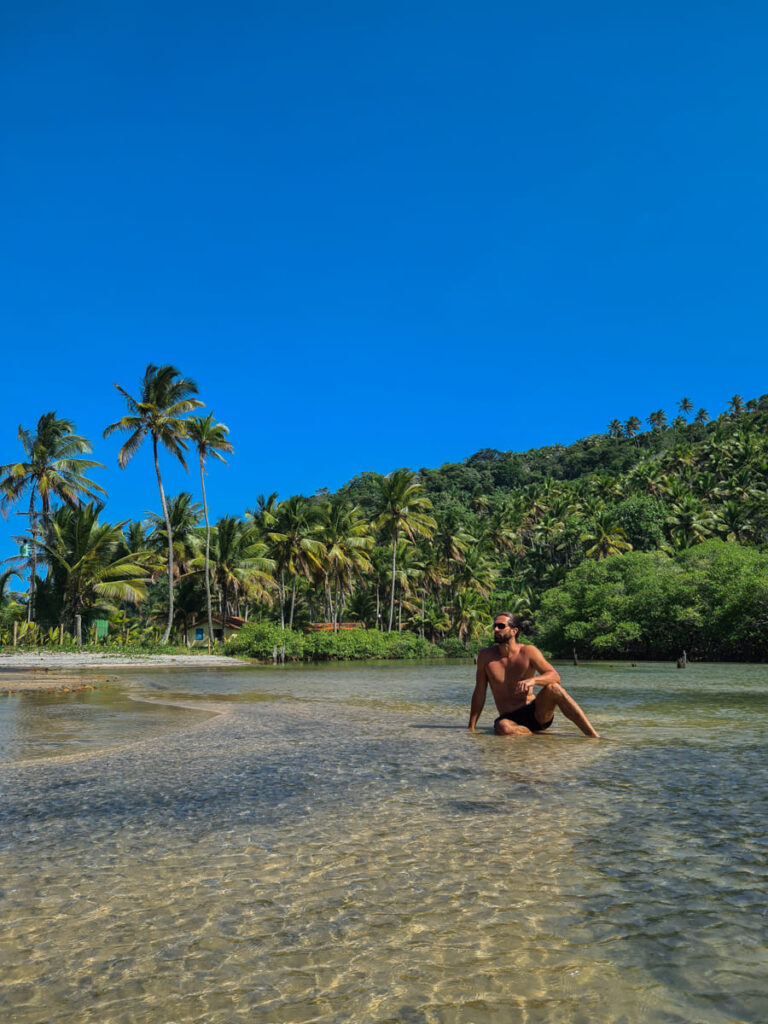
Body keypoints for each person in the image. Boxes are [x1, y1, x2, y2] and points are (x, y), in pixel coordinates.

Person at [468, 612, 599, 738]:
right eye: (494, 626)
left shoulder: (528, 652)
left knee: (554, 688)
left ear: (514, 631)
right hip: (509, 719)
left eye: (501, 626)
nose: (496, 629)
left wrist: (533, 680)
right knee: (503, 728)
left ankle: (593, 735)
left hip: (536, 713)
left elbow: (555, 676)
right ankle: (534, 735)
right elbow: (479, 693)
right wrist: (471, 728)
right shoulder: (485, 656)